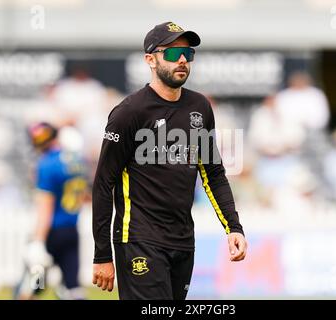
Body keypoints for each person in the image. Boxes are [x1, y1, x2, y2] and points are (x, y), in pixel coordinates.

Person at [92, 21, 247, 300]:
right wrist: (102, 254)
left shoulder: (199, 107)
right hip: (139, 239)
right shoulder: (129, 112)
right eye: (173, 54)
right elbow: (104, 184)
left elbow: (212, 173)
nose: (183, 61)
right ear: (150, 60)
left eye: (188, 54)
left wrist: (233, 227)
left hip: (183, 241)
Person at [14, 122, 87, 300]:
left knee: (33, 285)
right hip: (71, 231)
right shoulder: (77, 161)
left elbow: (45, 207)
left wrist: (38, 240)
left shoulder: (46, 164)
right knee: (72, 288)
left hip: (50, 235)